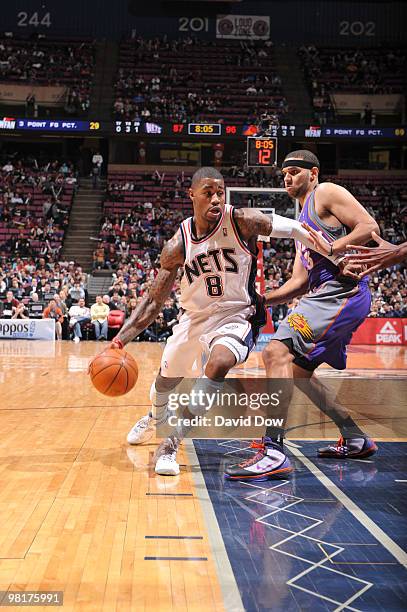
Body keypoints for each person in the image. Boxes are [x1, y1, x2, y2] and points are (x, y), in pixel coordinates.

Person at [104, 166, 332, 476]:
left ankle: (171, 443)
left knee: (219, 362)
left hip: (237, 315)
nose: (215, 199)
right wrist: (119, 341)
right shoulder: (178, 244)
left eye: (220, 193)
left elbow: (291, 228)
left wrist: (326, 247)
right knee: (164, 384)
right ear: (192, 195)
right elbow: (153, 301)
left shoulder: (240, 220)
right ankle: (155, 417)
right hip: (194, 319)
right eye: (208, 193)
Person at [225, 150, 380, 481]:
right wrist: (261, 300)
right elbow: (299, 282)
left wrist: (334, 248)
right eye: (283, 174)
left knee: (274, 351)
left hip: (343, 291)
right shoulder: (300, 225)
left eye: (294, 171)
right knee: (297, 372)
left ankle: (273, 451)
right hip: (326, 293)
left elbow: (369, 226)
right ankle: (354, 437)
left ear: (313, 173)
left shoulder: (325, 192)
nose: (287, 178)